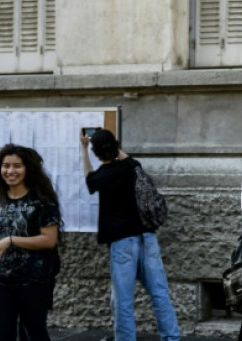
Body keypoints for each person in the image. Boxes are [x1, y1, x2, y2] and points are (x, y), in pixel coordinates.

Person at [81, 128, 181, 341]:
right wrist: (114, 145)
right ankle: (172, 338)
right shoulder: (132, 166)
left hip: (122, 242)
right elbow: (129, 159)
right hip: (147, 237)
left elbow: (88, 178)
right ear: (116, 146)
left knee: (123, 299)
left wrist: (83, 149)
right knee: (159, 292)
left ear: (96, 152)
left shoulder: (101, 176)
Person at [0, 144, 60, 341]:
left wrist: (11, 240)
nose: (11, 171)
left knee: (34, 334)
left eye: (17, 166)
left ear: (28, 169)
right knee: (0, 336)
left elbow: (49, 240)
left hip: (34, 280)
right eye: (6, 166)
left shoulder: (42, 201)